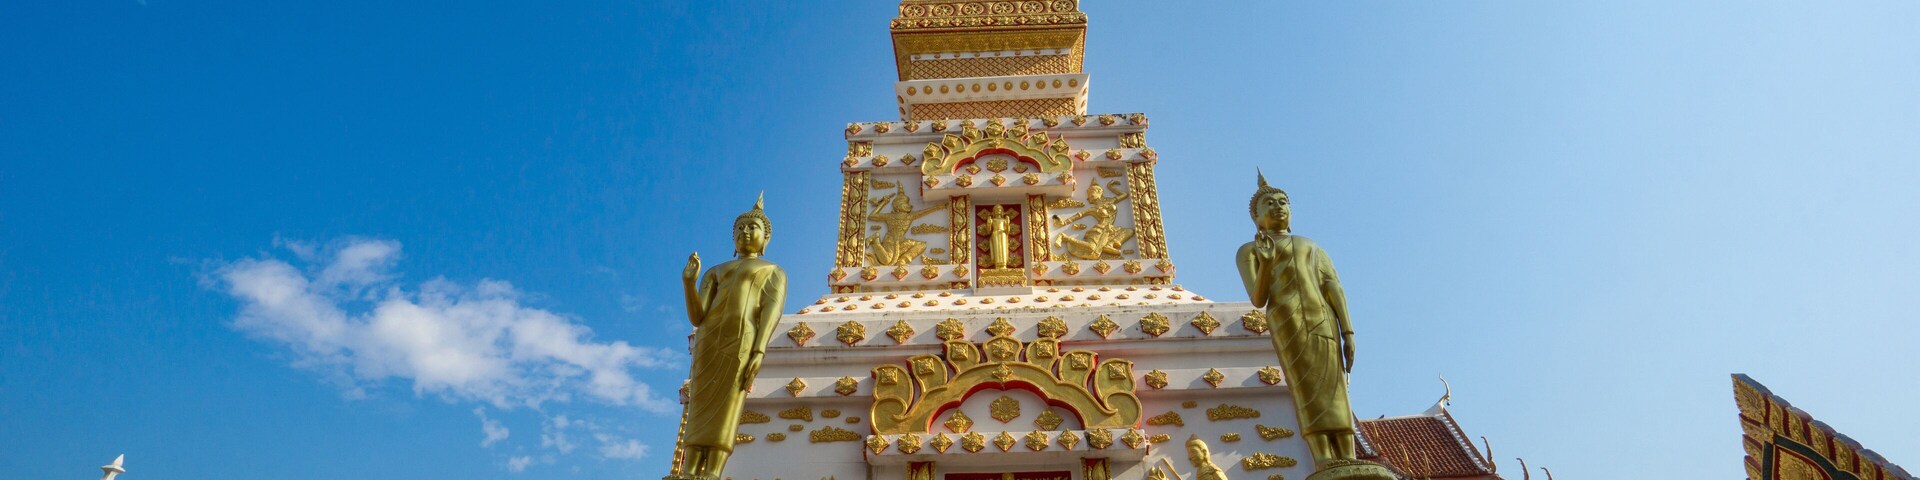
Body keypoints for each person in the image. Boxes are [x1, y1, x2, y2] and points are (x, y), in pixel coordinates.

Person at [1235, 172, 1358, 467]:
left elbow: (1333, 287)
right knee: (1307, 390)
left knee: (1335, 387)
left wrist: (1348, 331)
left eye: (1282, 202)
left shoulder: (1310, 246)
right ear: (1257, 218)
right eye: (1269, 204)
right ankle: (1324, 459)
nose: (1277, 207)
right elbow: (1258, 298)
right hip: (1288, 325)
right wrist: (1265, 263)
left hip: (1323, 321)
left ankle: (1350, 456)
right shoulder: (1250, 251)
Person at [675, 194, 787, 480]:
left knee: (727, 404)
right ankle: (688, 471)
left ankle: (712, 471)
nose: (746, 232)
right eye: (740, 228)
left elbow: (770, 313)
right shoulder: (715, 271)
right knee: (700, 402)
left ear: (766, 239)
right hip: (709, 340)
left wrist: (759, 350)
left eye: (753, 228)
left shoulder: (771, 271)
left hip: (742, 340)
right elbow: (697, 317)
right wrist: (689, 282)